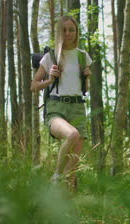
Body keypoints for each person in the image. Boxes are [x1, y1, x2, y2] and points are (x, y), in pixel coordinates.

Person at [31, 16, 92, 191]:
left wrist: (87, 77)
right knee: (72, 134)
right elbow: (34, 86)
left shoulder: (83, 56)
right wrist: (50, 80)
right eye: (63, 30)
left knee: (72, 171)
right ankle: (56, 176)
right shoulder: (51, 57)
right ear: (59, 32)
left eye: (71, 29)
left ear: (76, 32)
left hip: (78, 108)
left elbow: (84, 89)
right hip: (56, 108)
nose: (67, 33)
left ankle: (67, 211)